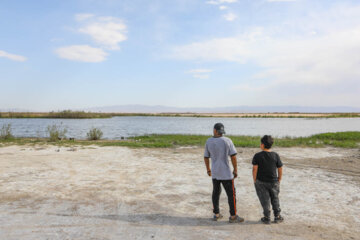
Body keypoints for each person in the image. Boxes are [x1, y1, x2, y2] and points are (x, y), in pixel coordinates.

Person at [204, 123, 244, 223]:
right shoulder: (227, 140)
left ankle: (216, 214)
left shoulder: (209, 141)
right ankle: (233, 216)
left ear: (214, 130)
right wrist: (235, 170)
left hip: (215, 172)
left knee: (216, 193)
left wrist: (208, 169)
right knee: (231, 195)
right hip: (226, 173)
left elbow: (206, 157)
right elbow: (233, 156)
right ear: (221, 132)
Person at [252, 135, 284, 224]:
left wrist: (254, 179)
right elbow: (280, 167)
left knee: (264, 200)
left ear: (262, 145)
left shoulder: (257, 156)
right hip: (274, 181)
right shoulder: (275, 155)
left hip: (261, 182)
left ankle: (267, 217)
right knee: (275, 198)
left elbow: (255, 169)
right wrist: (279, 178)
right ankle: (277, 216)